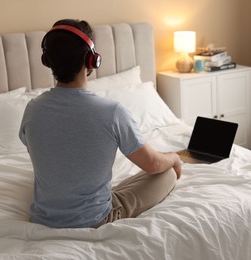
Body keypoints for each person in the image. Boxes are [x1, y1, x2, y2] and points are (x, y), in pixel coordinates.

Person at [19, 19, 181, 229]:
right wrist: (174, 157)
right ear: (91, 60)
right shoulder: (111, 112)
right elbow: (153, 164)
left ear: (47, 60)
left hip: (43, 218)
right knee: (166, 173)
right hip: (94, 219)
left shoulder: (33, 109)